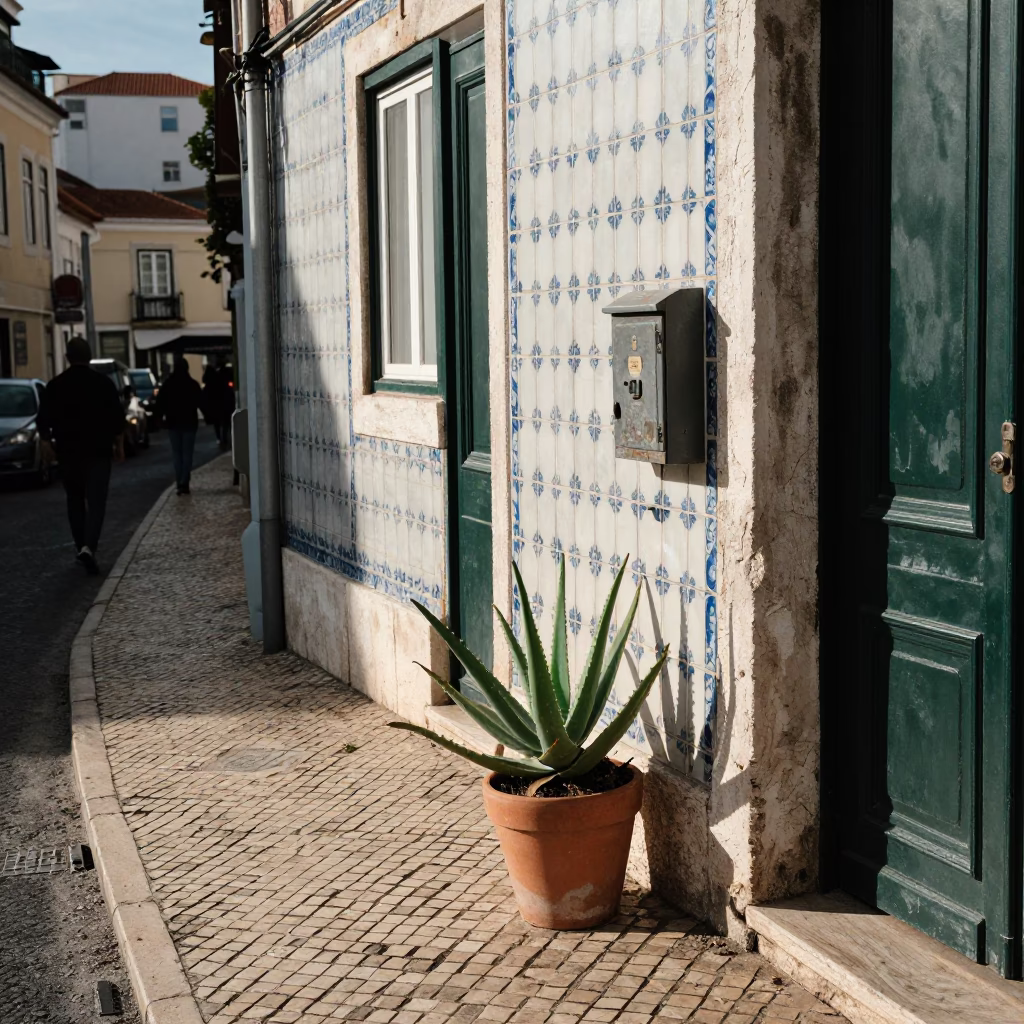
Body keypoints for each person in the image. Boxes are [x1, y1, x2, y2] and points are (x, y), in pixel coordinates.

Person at [37, 336, 125, 575]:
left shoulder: (55, 386)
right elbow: (117, 417)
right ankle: (89, 547)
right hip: (98, 451)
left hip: (68, 452)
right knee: (96, 502)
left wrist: (46, 441)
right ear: (89, 357)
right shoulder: (103, 384)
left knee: (75, 501)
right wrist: (119, 444)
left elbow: (44, 418)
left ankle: (80, 546)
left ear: (67, 357)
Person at [155, 358, 203, 495]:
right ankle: (184, 481)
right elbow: (200, 401)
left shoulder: (168, 384)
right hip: (189, 422)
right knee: (187, 454)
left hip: (173, 423)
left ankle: (179, 481)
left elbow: (160, 403)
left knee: (177, 454)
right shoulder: (192, 384)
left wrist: (159, 419)